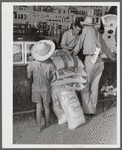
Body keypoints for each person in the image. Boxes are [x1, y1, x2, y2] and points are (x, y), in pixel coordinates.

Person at [72, 16, 116, 116]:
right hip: (99, 61)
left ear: (85, 25)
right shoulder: (98, 33)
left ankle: (87, 110)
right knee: (95, 87)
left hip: (90, 60)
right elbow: (106, 49)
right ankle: (93, 109)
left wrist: (72, 56)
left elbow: (79, 45)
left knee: (85, 85)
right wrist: (112, 57)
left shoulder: (86, 29)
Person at [27, 40, 56, 132]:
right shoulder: (50, 64)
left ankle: (38, 126)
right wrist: (50, 78)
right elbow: (54, 77)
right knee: (46, 106)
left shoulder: (32, 64)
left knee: (38, 107)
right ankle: (47, 123)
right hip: (46, 88)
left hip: (35, 88)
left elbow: (28, 76)